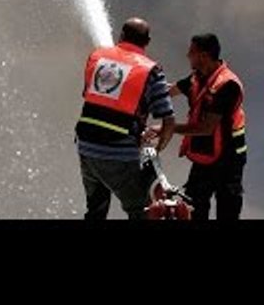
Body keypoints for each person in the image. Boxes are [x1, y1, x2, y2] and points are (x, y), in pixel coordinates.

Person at [75, 17, 175, 219]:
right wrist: (156, 148)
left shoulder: (97, 56)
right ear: (147, 42)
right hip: (117, 152)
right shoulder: (151, 70)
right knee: (142, 210)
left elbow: (90, 95)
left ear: (121, 35)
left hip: (85, 147)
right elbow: (168, 121)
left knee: (96, 210)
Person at [169, 33, 247, 220]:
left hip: (229, 160)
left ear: (204, 56)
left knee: (227, 211)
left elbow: (206, 128)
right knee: (193, 208)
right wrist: (146, 92)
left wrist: (168, 128)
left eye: (192, 52)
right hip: (204, 157)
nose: (188, 55)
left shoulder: (228, 85)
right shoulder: (197, 77)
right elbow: (171, 90)